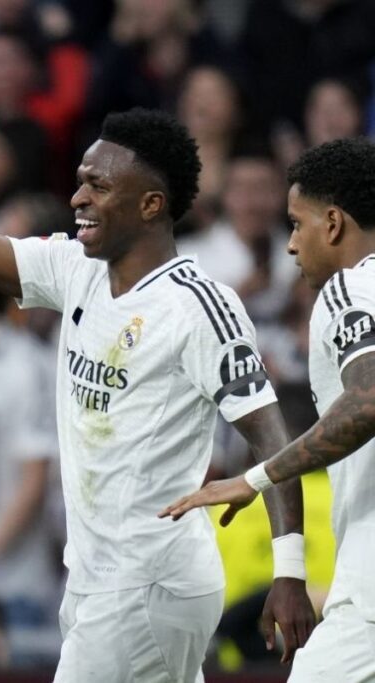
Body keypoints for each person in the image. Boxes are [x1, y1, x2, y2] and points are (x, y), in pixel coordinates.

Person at [0, 37, 314, 681]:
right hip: (96, 578)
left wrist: (289, 572)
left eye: (98, 185)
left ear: (151, 205)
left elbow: (271, 436)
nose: (78, 198)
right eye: (79, 181)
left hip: (151, 581)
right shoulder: (74, 270)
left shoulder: (198, 305)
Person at [161, 137, 375, 681]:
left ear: (332, 224)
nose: (290, 245)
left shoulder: (348, 289)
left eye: (297, 225)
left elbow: (369, 398)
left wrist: (255, 478)